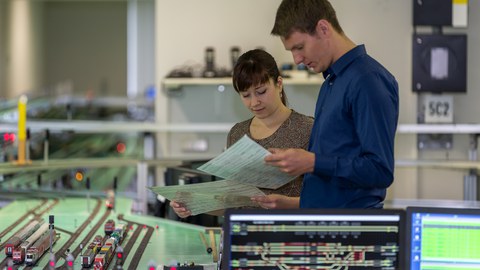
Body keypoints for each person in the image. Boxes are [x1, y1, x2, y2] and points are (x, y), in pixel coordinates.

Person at [259, 0, 399, 209]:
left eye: (299, 47)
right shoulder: (331, 83)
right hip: (324, 224)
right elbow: (335, 187)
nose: (297, 59)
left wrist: (312, 162)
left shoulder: (368, 80)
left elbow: (379, 170)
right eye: (291, 51)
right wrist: (291, 203)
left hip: (351, 230)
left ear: (323, 28)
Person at [170, 49, 314, 218]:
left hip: (288, 236)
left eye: (261, 92)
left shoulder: (308, 128)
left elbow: (327, 200)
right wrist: (193, 205)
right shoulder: (237, 133)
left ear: (279, 84)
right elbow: (233, 204)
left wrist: (287, 204)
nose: (254, 102)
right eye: (246, 95)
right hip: (244, 234)